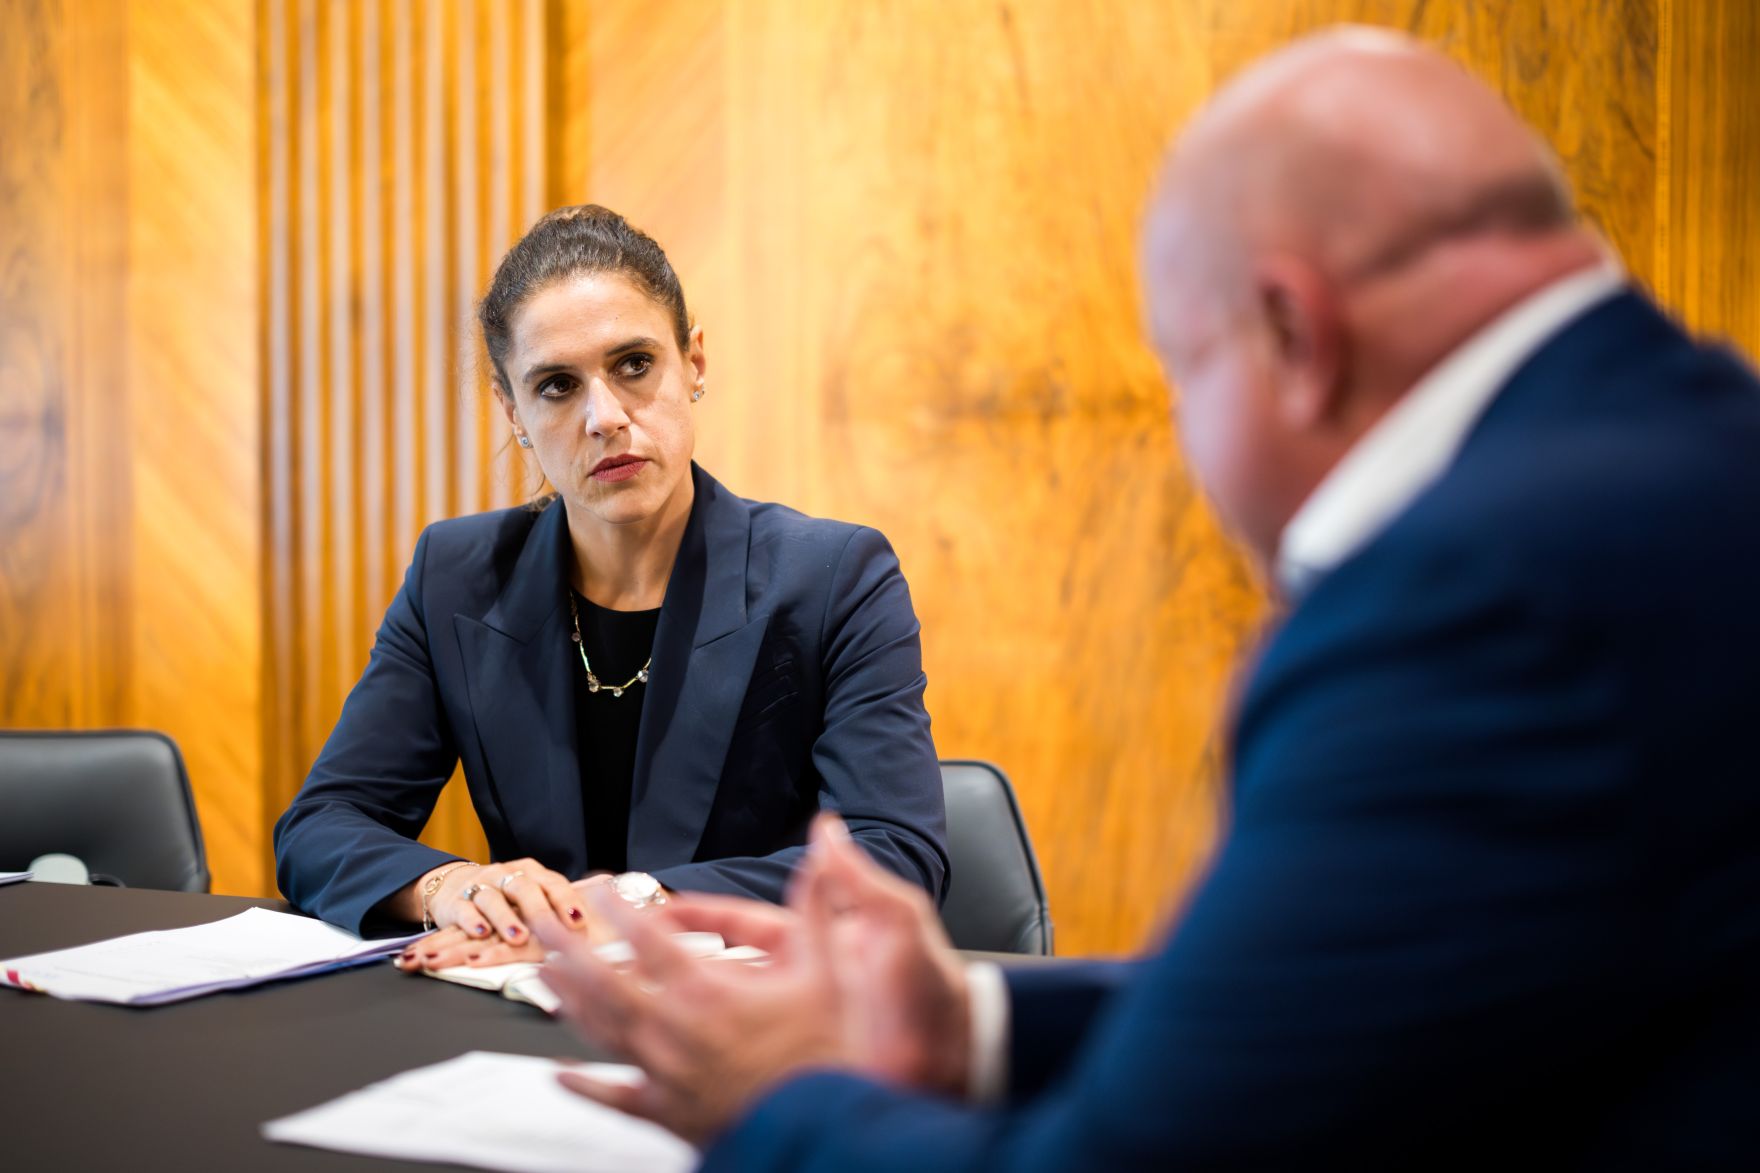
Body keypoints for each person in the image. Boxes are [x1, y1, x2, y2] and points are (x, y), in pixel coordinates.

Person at [535, 28, 1760, 1168]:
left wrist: (769, 1104)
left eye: (1180, 376)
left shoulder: (1466, 601)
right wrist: (972, 1019)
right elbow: (1317, 1002)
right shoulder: (1698, 454)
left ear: (1290, 333)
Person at [274, 205, 947, 968]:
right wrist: (450, 886)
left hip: (755, 1015)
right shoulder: (455, 577)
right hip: (523, 1010)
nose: (605, 417)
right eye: (557, 385)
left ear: (693, 362)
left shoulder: (834, 577)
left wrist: (631, 906)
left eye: (633, 364)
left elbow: (895, 858)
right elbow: (321, 824)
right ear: (513, 411)